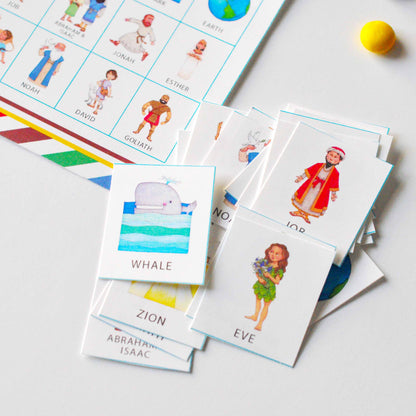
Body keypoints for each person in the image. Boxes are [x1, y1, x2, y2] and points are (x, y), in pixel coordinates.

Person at [290, 146, 345, 224]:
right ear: (327, 155)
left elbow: (334, 185)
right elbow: (309, 172)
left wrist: (333, 194)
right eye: (331, 155)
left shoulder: (335, 173)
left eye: (335, 157)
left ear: (339, 161)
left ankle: (305, 215)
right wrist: (301, 177)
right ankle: (300, 212)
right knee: (306, 198)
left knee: (314, 202)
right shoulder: (318, 165)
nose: (332, 158)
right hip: (310, 186)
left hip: (322, 191)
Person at [245, 243, 289, 331]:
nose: (273, 255)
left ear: (283, 256)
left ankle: (260, 324)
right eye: (272, 252)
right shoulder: (265, 263)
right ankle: (255, 315)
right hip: (261, 285)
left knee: (266, 305)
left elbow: (277, 281)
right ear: (268, 252)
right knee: (258, 301)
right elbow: (258, 271)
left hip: (269, 289)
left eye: (277, 254)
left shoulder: (279, 269)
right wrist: (259, 278)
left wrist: (269, 276)